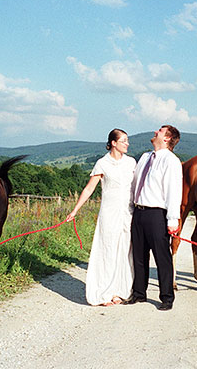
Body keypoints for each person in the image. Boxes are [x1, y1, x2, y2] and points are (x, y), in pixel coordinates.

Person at [66, 129, 136, 306]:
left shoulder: (131, 162)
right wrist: (75, 210)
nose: (127, 144)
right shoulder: (102, 163)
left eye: (127, 141)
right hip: (109, 212)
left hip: (128, 212)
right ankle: (104, 292)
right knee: (108, 250)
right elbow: (89, 189)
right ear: (113, 143)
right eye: (124, 141)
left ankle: (121, 290)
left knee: (125, 251)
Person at [123, 125, 182, 311]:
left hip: (156, 213)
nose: (155, 132)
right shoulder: (145, 157)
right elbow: (134, 184)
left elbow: (174, 191)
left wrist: (173, 220)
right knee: (139, 256)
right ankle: (139, 293)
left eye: (160, 131)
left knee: (162, 256)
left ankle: (166, 297)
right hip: (139, 212)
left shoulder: (171, 161)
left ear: (167, 138)